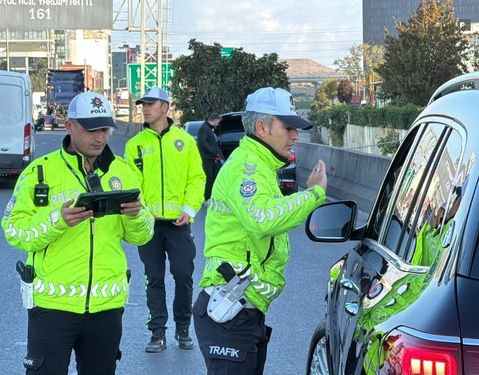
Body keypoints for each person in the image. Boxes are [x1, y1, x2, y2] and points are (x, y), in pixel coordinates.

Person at [1, 91, 155, 374]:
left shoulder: (125, 173)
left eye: (105, 129)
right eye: (90, 129)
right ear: (70, 126)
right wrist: (57, 220)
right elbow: (14, 230)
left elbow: (141, 236)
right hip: (52, 305)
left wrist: (137, 215)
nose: (100, 137)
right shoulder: (39, 172)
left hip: (106, 306)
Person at [193, 87, 327, 374]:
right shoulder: (248, 168)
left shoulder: (261, 166)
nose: (295, 136)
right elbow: (263, 219)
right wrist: (314, 194)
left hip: (243, 307)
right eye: (288, 128)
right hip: (231, 308)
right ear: (262, 127)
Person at [124, 86, 206, 353]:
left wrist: (190, 209)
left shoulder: (185, 142)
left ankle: (183, 329)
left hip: (178, 224)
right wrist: (142, 211)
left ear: (165, 107)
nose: (145, 108)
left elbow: (197, 179)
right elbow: (130, 182)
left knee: (183, 275)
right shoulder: (134, 145)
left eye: (151, 104)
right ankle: (157, 332)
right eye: (143, 104)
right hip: (148, 225)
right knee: (153, 279)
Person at [197, 113, 223, 203]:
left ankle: (210, 196)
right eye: (218, 122)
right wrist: (212, 151)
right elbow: (202, 142)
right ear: (215, 120)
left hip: (211, 158)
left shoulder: (208, 129)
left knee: (213, 177)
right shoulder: (204, 128)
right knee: (209, 178)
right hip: (206, 158)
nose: (218, 124)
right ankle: (206, 198)